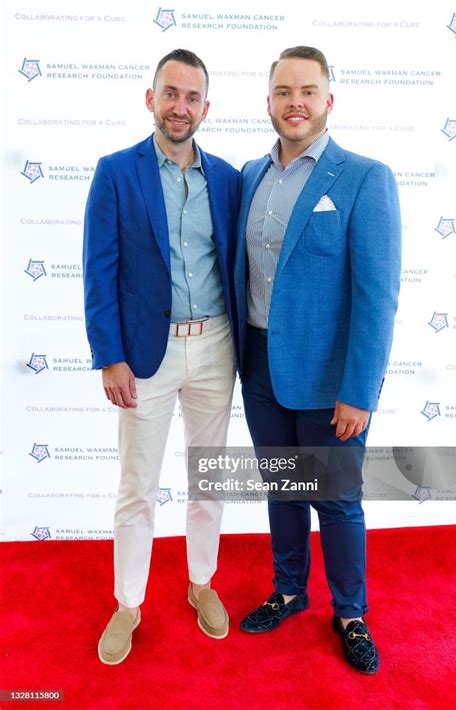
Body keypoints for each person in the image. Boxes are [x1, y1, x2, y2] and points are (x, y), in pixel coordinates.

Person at [234, 46, 401, 674]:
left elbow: (376, 297)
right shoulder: (250, 175)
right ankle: (288, 589)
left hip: (330, 380)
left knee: (334, 499)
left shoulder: (363, 177)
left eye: (307, 90)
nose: (294, 102)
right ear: (269, 100)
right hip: (258, 367)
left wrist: (359, 390)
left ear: (329, 100)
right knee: (282, 488)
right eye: (283, 91)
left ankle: (351, 612)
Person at [83, 49, 240, 664]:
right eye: (170, 94)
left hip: (216, 347)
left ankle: (201, 583)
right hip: (145, 355)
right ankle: (128, 603)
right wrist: (109, 355)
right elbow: (99, 271)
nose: (181, 107)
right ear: (151, 98)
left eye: (192, 97)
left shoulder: (227, 177)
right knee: (137, 486)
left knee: (208, 480)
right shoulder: (116, 172)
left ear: (205, 106)